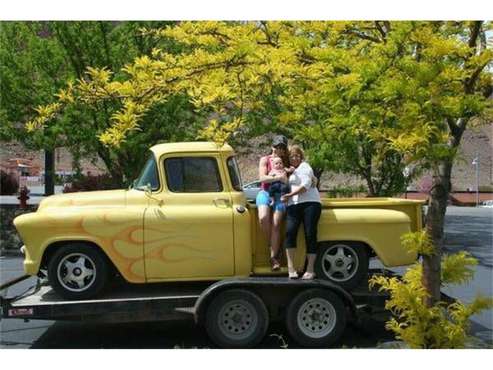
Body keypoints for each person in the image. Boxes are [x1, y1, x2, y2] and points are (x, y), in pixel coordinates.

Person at [281, 145, 322, 280]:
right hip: (294, 204)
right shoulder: (291, 170)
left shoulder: (305, 167)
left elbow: (304, 187)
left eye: (297, 155)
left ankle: (310, 269)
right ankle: (291, 268)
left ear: (301, 156)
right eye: (292, 156)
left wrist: (289, 195)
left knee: (310, 234)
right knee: (290, 232)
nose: (294, 158)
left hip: (310, 203)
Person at [256, 135, 291, 271]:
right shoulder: (265, 160)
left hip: (281, 195)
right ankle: (273, 244)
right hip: (265, 192)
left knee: (276, 223)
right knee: (263, 218)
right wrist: (278, 177)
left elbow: (290, 180)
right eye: (277, 146)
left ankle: (274, 257)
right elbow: (262, 178)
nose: (279, 149)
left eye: (282, 147)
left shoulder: (287, 162)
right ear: (272, 147)